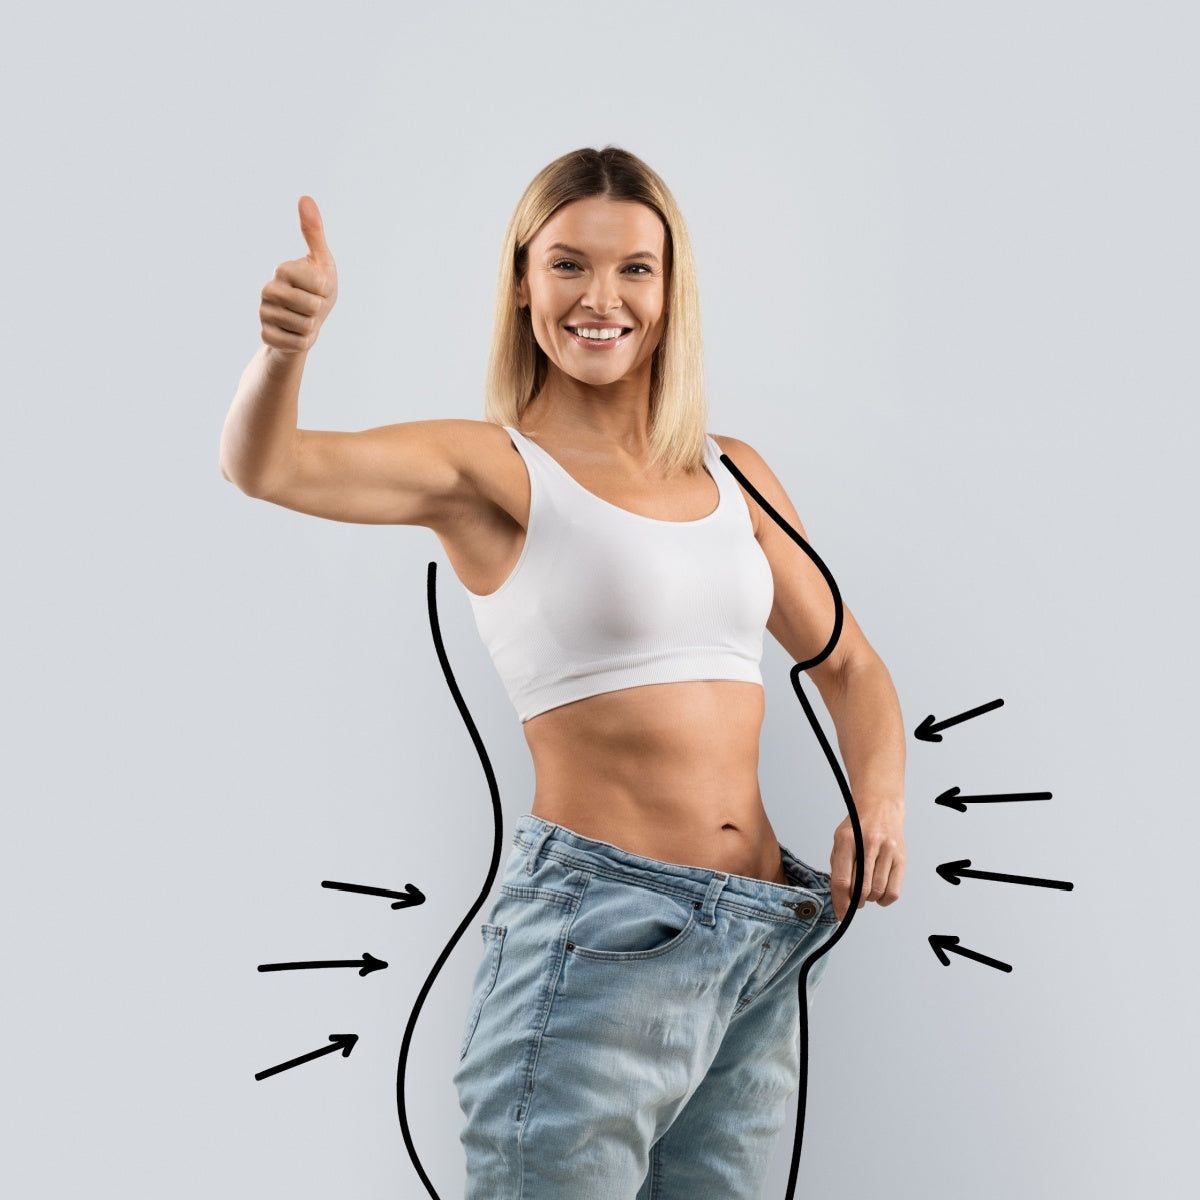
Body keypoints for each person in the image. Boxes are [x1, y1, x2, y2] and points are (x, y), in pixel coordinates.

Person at [220, 145, 907, 1199]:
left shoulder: (738, 474)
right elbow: (268, 467)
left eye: (636, 267)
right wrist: (285, 351)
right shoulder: (491, 468)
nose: (603, 297)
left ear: (672, 290)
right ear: (522, 283)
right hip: (597, 937)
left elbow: (850, 663)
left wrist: (881, 809)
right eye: (568, 265)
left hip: (763, 943)